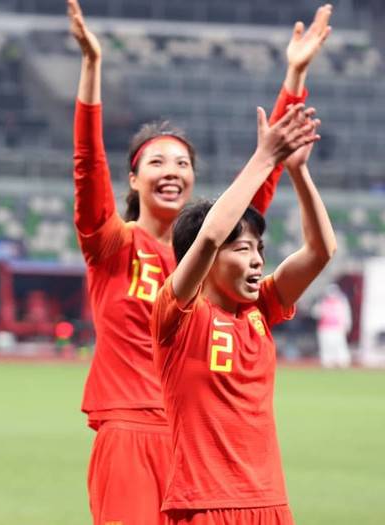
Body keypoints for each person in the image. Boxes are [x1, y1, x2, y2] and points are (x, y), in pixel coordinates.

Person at [65, 1, 332, 522]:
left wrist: (294, 75)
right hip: (132, 427)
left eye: (183, 163)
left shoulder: (215, 256)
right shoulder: (112, 243)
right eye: (157, 162)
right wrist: (92, 68)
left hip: (202, 435)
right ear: (133, 181)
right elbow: (87, 164)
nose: (172, 171)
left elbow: (262, 182)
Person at [152, 103, 330, 524]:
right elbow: (212, 234)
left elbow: (321, 252)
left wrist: (298, 172)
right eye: (243, 249)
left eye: (260, 250)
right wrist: (264, 156)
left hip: (270, 503)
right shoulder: (175, 316)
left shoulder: (260, 310)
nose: (256, 261)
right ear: (205, 259)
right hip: (204, 505)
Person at [312, 284, 353, 368]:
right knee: (326, 345)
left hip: (337, 328)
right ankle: (327, 362)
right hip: (325, 327)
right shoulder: (322, 302)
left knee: (339, 345)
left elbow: (346, 315)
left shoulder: (341, 302)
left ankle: (342, 361)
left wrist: (347, 325)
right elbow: (315, 313)